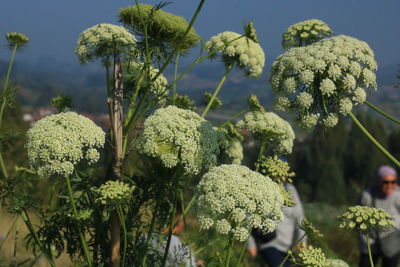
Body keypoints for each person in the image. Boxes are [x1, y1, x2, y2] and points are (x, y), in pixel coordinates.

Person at [248, 183, 306, 267]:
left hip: (287, 247)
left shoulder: (290, 189)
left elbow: (300, 217)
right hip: (268, 243)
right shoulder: (265, 184)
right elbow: (249, 217)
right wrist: (251, 244)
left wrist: (302, 241)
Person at [358, 165, 400, 267]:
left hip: (391, 242)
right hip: (370, 241)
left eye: (393, 182)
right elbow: (358, 214)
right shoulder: (367, 195)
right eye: (386, 182)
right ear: (379, 181)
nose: (390, 185)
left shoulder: (397, 195)